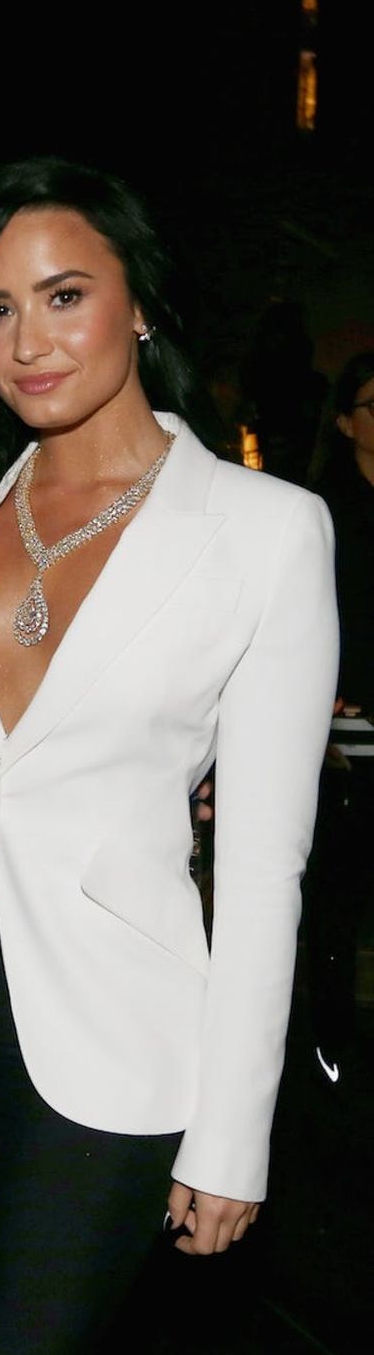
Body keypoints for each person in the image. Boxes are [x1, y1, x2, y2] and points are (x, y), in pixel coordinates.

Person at [0, 157, 339, 1355]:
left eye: (63, 295)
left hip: (111, 1036)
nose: (25, 341)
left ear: (138, 306)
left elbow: (262, 865)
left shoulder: (265, 531)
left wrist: (231, 1134)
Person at [302, 351, 374, 1094]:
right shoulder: (320, 511)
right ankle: (331, 1051)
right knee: (336, 900)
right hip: (345, 735)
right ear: (348, 423)